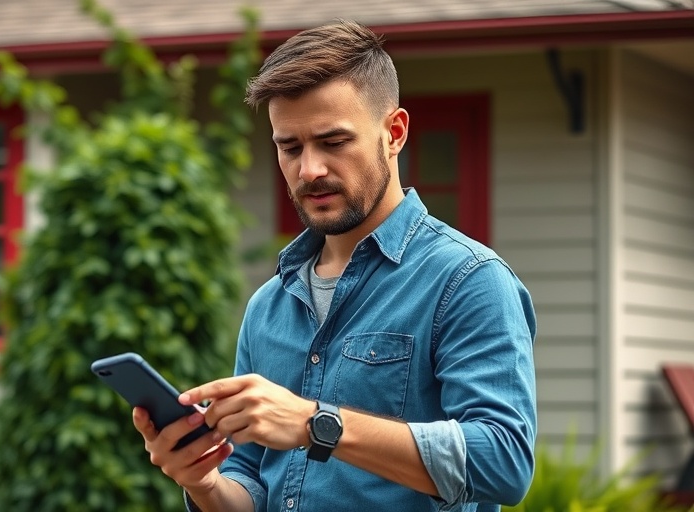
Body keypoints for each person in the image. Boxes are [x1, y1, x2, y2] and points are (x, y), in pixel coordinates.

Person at [133, 20, 537, 511]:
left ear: (395, 133)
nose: (310, 170)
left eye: (333, 142)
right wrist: (202, 482)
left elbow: (504, 462)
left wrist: (314, 423)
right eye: (290, 147)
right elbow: (251, 484)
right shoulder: (268, 306)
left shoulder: (469, 280)